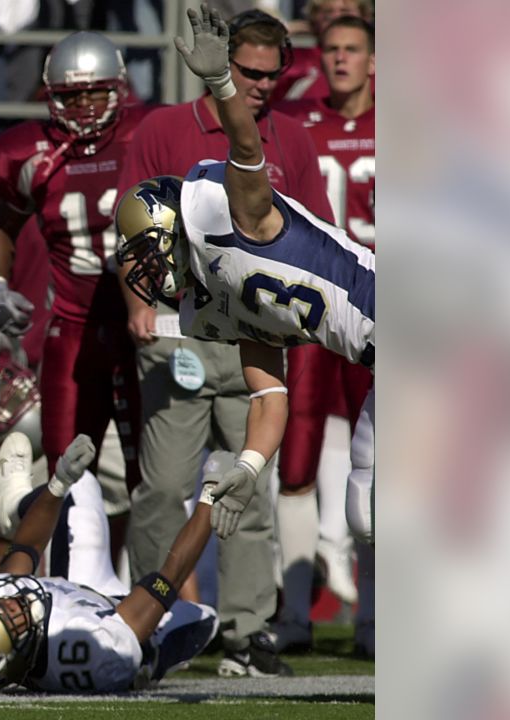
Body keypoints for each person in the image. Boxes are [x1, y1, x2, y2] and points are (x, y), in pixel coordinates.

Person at [114, 5, 375, 661]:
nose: (152, 266)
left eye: (154, 248)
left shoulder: (242, 218)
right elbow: (269, 395)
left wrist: (224, 87)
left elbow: (248, 148)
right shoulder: (216, 296)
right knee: (367, 513)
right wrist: (249, 466)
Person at [0, 31, 155, 568]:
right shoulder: (27, 152)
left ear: (119, 89)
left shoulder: (147, 133)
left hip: (144, 324)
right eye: (71, 95)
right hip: (74, 328)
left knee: (149, 475)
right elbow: (1, 225)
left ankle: (141, 594)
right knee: (64, 470)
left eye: (94, 94)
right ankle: (64, 584)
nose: (82, 107)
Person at [0, 431, 225, 692]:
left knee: (80, 485)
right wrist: (211, 492)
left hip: (76, 590)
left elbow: (26, 547)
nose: (9, 599)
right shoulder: (87, 652)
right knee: (203, 618)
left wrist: (58, 482)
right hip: (117, 618)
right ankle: (151, 661)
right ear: (15, 655)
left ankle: (16, 505)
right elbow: (170, 577)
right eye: (10, 615)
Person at [274, 15, 375, 655]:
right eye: (331, 50)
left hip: (387, 305)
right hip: (315, 302)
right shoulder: (295, 120)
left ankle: (372, 621)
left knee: (391, 468)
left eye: (352, 51)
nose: (339, 61)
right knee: (297, 457)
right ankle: (294, 616)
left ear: (373, 60)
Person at [271, 0, 373, 103]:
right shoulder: (290, 60)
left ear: (364, 17)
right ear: (314, 19)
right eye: (328, 13)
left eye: (345, 12)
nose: (336, 17)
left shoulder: (382, 65)